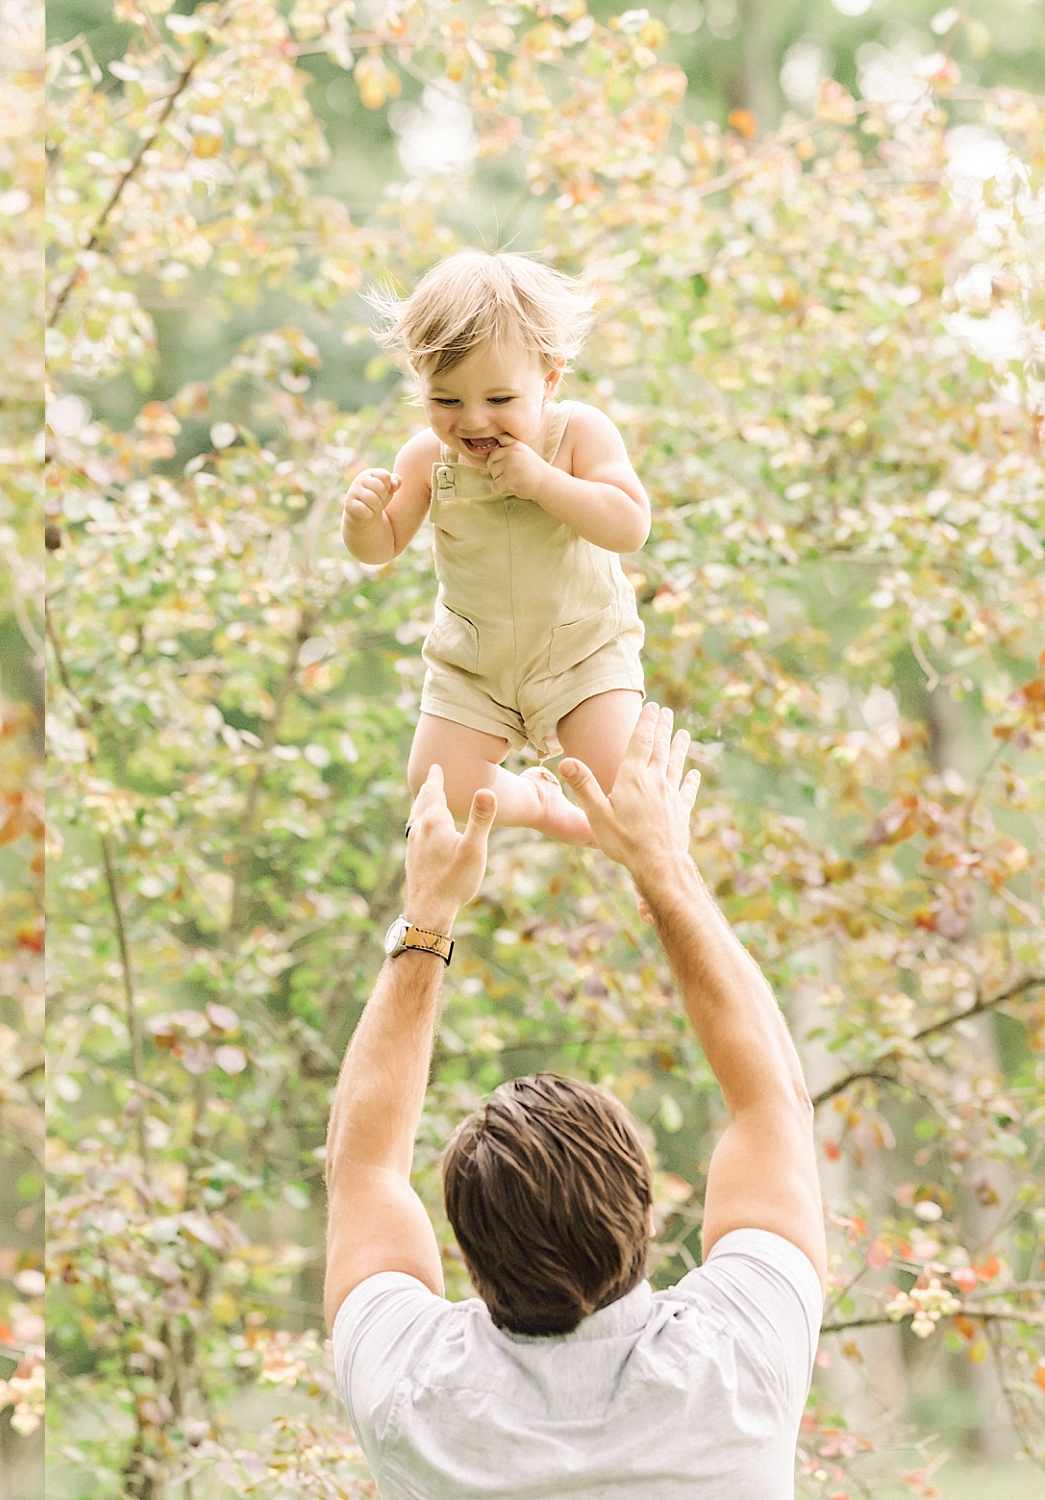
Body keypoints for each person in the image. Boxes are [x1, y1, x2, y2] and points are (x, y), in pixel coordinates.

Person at [326, 703, 826, 1497]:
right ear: (651, 1210)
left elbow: (363, 1170)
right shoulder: (740, 1365)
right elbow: (773, 1102)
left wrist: (427, 918)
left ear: (469, 1254)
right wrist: (663, 867)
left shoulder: (410, 1398)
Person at [341, 250, 651, 846]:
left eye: (500, 400)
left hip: (581, 653)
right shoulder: (425, 459)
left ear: (550, 379)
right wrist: (362, 520)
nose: (475, 421)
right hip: (475, 668)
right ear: (420, 382)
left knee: (625, 791)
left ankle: (653, 866)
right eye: (447, 400)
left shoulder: (578, 432)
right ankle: (538, 804)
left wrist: (545, 483)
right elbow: (382, 547)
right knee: (437, 781)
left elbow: (629, 525)